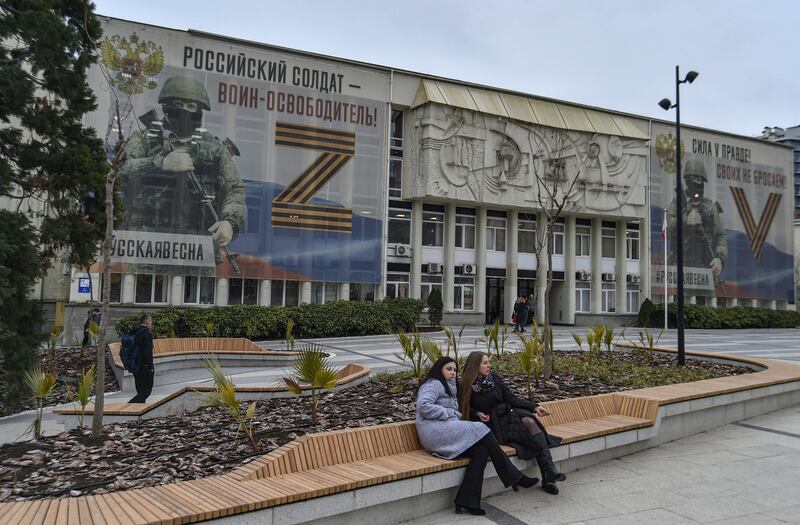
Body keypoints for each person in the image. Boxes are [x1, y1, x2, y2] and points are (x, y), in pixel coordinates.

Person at [119, 76, 246, 265]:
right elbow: (119, 171)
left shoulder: (213, 147)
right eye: (178, 104)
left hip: (198, 246)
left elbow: (235, 188)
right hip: (147, 244)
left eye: (191, 107)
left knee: (194, 294)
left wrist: (229, 221)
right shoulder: (146, 138)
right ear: (166, 107)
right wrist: (158, 163)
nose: (185, 111)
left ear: (200, 111)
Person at [416, 356, 538, 515]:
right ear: (439, 369)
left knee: (482, 451)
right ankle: (513, 476)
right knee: (480, 428)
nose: (453, 373)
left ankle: (467, 501)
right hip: (432, 431)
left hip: (444, 430)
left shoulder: (450, 385)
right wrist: (450, 412)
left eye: (454, 370)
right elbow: (423, 406)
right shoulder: (433, 384)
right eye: (448, 369)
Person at [461, 351, 567, 495]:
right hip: (494, 424)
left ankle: (550, 470)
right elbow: (463, 408)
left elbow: (512, 399)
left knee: (530, 421)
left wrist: (535, 407)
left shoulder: (495, 379)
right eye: (485, 363)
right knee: (530, 436)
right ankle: (548, 477)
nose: (489, 366)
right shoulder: (465, 384)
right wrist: (477, 413)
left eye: (488, 362)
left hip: (509, 414)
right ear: (475, 366)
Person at [667, 159, 727, 275]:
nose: (698, 183)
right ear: (688, 181)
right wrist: (685, 220)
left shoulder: (709, 207)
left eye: (700, 180)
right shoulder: (677, 203)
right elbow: (668, 224)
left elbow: (720, 235)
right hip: (681, 268)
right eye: (694, 179)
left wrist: (720, 258)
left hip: (705, 270)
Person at [128, 314, 155, 403]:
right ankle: (130, 405)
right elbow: (147, 352)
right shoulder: (147, 334)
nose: (151, 323)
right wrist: (150, 367)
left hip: (134, 364)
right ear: (147, 321)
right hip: (144, 365)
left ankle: (139, 409)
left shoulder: (133, 332)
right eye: (150, 321)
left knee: (140, 390)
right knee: (147, 390)